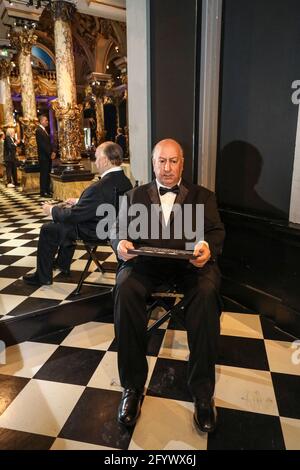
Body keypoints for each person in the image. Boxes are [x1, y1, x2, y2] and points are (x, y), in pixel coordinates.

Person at [111, 138, 225, 433]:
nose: (167, 168)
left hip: (190, 267)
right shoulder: (134, 195)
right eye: (161, 161)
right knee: (124, 288)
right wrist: (120, 242)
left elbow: (215, 231)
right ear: (153, 164)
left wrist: (206, 247)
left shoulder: (204, 196)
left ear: (182, 164)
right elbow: (117, 229)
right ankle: (132, 388)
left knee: (207, 290)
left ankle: (202, 393)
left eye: (173, 161)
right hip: (146, 266)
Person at [23, 141, 132, 287]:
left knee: (49, 228)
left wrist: (52, 210)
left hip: (96, 231)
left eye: (97, 157)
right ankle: (62, 264)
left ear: (105, 160)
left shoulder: (99, 187)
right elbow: (107, 200)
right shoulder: (125, 180)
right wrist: (79, 201)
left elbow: (73, 216)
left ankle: (42, 277)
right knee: (65, 223)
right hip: (112, 227)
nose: (95, 161)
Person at [36, 114, 55, 197]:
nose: (47, 122)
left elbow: (48, 144)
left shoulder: (44, 130)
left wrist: (53, 152)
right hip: (44, 157)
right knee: (44, 174)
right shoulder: (39, 130)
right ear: (41, 121)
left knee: (47, 174)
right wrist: (50, 153)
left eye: (47, 120)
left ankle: (47, 190)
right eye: (46, 120)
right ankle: (43, 191)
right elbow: (42, 145)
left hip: (47, 156)